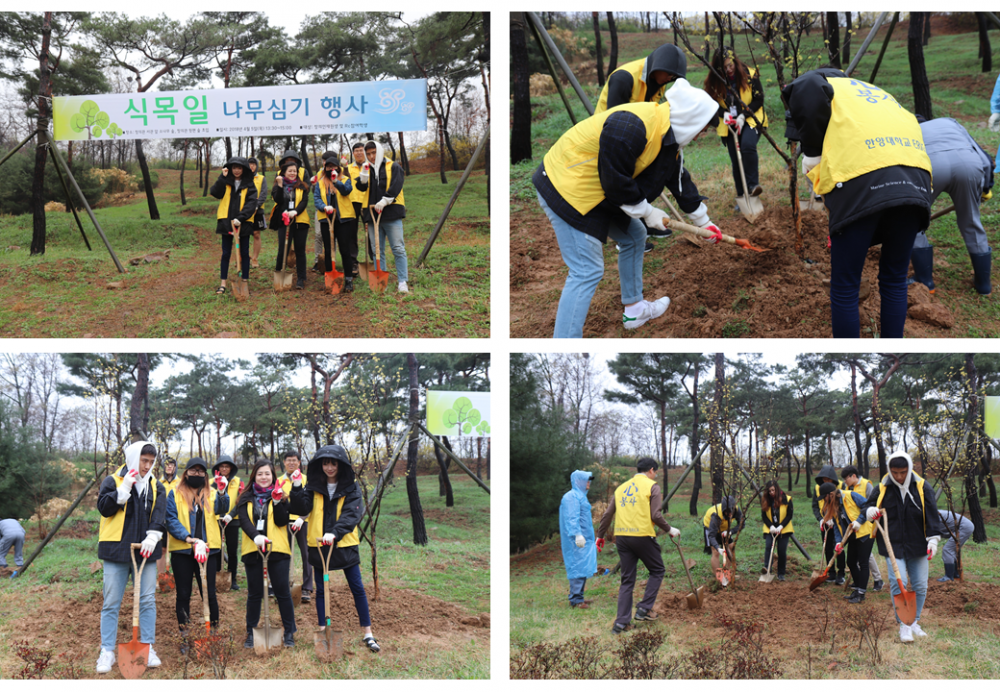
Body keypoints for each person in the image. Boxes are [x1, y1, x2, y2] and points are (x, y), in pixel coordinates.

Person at [533, 78, 722, 338]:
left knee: (634, 236)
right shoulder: (631, 126)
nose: (702, 135)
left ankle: (634, 310)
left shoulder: (669, 136)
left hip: (597, 188)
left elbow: (678, 178)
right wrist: (647, 211)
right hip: (566, 186)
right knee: (586, 270)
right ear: (691, 121)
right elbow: (615, 183)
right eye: (703, 129)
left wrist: (704, 222)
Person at [782, 69, 933, 338]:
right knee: (895, 280)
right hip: (915, 182)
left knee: (845, 287)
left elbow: (805, 87)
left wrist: (814, 157)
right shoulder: (875, 93)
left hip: (862, 181)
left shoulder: (823, 85)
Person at [595, 42, 688, 254]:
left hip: (639, 136)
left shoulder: (659, 80)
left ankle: (641, 222)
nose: (670, 80)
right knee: (625, 180)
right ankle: (625, 234)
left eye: (674, 77)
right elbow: (615, 121)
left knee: (651, 176)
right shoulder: (624, 78)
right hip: (613, 138)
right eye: (669, 75)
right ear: (658, 66)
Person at [288, 445, 381, 652]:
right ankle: (324, 630)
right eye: (325, 463)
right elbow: (301, 508)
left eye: (333, 463)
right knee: (321, 590)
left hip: (344, 545)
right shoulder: (312, 486)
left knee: (357, 588)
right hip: (319, 545)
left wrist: (335, 532)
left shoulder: (350, 487)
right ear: (320, 465)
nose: (329, 467)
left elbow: (352, 513)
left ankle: (368, 633)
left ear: (341, 465)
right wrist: (296, 487)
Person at [95, 441, 166, 674]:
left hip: (144, 552)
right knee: (111, 602)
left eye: (151, 462)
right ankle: (107, 650)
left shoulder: (156, 486)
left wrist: (153, 536)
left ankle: (147, 646)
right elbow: (104, 509)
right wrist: (122, 490)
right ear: (134, 457)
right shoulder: (112, 480)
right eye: (143, 460)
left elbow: (159, 514)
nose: (147, 466)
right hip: (116, 550)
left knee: (146, 600)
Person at [863, 450, 945, 642]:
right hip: (892, 545)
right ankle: (904, 625)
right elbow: (867, 507)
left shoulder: (923, 487)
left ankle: (914, 622)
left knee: (920, 585)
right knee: (897, 583)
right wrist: (870, 511)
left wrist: (933, 539)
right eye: (895, 472)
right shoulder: (882, 488)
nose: (899, 476)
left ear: (909, 469)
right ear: (890, 471)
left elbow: (932, 514)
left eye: (903, 472)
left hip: (918, 543)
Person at [910, 117, 994, 295]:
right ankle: (983, 285)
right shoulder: (951, 122)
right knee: (971, 221)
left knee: (913, 222)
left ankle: (926, 282)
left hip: (932, 166)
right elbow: (985, 160)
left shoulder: (909, 129)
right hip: (968, 164)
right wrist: (985, 187)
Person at [596, 458, 679, 634]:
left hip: (622, 538)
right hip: (642, 536)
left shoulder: (621, 489)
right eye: (655, 472)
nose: (655, 475)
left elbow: (608, 514)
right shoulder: (652, 486)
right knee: (657, 570)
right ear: (651, 470)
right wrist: (670, 529)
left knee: (627, 580)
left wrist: (600, 536)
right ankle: (643, 609)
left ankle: (620, 624)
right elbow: (655, 515)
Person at [164, 457, 230, 649]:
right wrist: (188, 538)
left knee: (209, 594)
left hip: (209, 550)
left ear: (205, 474)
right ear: (186, 473)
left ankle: (213, 633)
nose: (197, 474)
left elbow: (222, 509)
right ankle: (185, 635)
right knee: (183, 594)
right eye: (193, 470)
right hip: (183, 550)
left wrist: (223, 492)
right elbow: (171, 519)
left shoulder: (212, 493)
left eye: (201, 471)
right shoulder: (174, 493)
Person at [234, 460, 297, 648]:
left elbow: (281, 521)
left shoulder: (281, 496)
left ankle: (289, 632)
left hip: (277, 549)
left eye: (267, 474)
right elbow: (244, 521)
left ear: (273, 476)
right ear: (254, 475)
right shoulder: (245, 497)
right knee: (254, 593)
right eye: (260, 473)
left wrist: (277, 502)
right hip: (253, 550)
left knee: (282, 592)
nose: (264, 477)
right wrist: (256, 537)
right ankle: (251, 632)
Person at [704, 46, 767, 202]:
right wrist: (722, 113)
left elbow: (759, 99)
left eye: (730, 65)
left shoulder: (750, 74)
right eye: (724, 67)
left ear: (735, 61)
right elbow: (708, 103)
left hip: (751, 117)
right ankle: (741, 195)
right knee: (736, 159)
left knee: (747, 146)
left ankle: (753, 187)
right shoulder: (713, 81)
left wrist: (744, 115)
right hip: (729, 122)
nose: (729, 69)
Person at [355, 140, 410, 294]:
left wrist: (385, 200)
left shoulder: (393, 166)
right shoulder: (366, 168)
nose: (372, 156)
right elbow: (360, 187)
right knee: (377, 250)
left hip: (391, 213)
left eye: (374, 153)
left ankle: (402, 281)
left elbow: (397, 185)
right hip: (372, 215)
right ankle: (381, 281)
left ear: (380, 151)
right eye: (369, 154)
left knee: (398, 248)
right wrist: (364, 175)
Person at [210, 156, 258, 296]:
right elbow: (215, 193)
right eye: (234, 168)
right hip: (226, 222)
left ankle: (244, 281)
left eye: (239, 168)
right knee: (226, 253)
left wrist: (241, 218)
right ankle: (223, 283)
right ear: (230, 169)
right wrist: (222, 177)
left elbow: (251, 203)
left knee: (244, 253)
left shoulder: (249, 184)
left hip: (243, 224)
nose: (236, 170)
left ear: (243, 169)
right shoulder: (225, 181)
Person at [314, 152, 357, 293]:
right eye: (328, 167)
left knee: (345, 249)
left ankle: (348, 279)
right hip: (326, 220)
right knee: (329, 250)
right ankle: (330, 277)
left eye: (334, 167)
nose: (331, 169)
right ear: (325, 168)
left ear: (338, 168)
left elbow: (346, 191)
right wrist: (323, 207)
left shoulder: (344, 180)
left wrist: (336, 182)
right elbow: (316, 199)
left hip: (343, 220)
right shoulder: (320, 183)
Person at [832, 467, 877, 603]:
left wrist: (859, 521)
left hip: (865, 533)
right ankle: (857, 588)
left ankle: (861, 593)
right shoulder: (834, 507)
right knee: (851, 562)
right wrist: (838, 542)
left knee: (863, 563)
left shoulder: (851, 496)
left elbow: (868, 506)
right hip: (853, 537)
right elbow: (837, 527)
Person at [269, 149, 312, 290]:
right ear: (284, 172)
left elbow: (304, 202)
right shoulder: (278, 185)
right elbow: (278, 199)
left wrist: (295, 212)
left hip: (300, 222)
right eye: (289, 171)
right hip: (284, 221)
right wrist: (280, 186)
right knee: (283, 249)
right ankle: (279, 275)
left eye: (294, 171)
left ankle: (301, 278)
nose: (293, 173)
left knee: (300, 250)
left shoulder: (302, 186)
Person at [277, 450, 314, 603]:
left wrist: (301, 518)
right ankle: (281, 584)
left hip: (302, 523)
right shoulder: (279, 480)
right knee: (282, 553)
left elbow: (311, 502)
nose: (291, 463)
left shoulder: (306, 480)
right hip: (284, 522)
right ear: (284, 463)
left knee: (306, 554)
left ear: (299, 463)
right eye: (288, 460)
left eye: (294, 460)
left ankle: (307, 587)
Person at [841, 466, 884, 591]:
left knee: (866, 556)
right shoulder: (847, 488)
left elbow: (872, 504)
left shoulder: (867, 485)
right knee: (859, 558)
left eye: (846, 478)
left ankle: (877, 579)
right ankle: (859, 581)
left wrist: (862, 520)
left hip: (868, 524)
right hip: (855, 527)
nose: (845, 482)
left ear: (853, 476)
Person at [559, 470, 597, 608]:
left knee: (582, 567)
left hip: (584, 539)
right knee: (577, 567)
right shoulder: (571, 497)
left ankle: (578, 597)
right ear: (578, 481)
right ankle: (576, 600)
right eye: (586, 480)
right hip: (576, 540)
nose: (589, 483)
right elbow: (571, 517)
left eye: (589, 480)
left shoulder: (580, 496)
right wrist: (577, 534)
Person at [213, 455, 243, 591]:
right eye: (222, 466)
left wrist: (231, 515)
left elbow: (240, 501)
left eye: (227, 466)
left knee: (231, 551)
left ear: (231, 468)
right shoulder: (211, 482)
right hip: (215, 520)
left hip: (232, 521)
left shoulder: (238, 482)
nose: (224, 469)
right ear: (218, 467)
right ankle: (215, 576)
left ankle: (233, 579)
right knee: (216, 549)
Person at [703, 494, 743, 583]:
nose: (729, 514)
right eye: (726, 512)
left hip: (724, 528)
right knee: (715, 552)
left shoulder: (736, 510)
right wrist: (718, 547)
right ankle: (718, 578)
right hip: (710, 528)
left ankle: (727, 574)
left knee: (730, 547)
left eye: (730, 512)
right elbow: (711, 536)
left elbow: (741, 524)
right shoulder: (716, 515)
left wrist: (731, 531)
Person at [760, 481, 793, 581]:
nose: (771, 493)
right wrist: (771, 526)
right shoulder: (765, 500)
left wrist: (781, 526)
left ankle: (781, 573)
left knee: (781, 551)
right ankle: (767, 569)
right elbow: (764, 516)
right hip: (771, 529)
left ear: (777, 489)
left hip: (784, 529)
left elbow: (789, 515)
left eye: (773, 490)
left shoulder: (787, 499)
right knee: (768, 547)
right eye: (769, 491)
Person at [157, 458, 180, 582]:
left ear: (175, 467)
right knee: (162, 549)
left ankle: (177, 576)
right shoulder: (159, 483)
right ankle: (162, 577)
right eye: (167, 465)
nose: (169, 467)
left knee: (176, 549)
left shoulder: (181, 483)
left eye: (172, 465)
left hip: (176, 520)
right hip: (162, 520)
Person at [936, 509, 974, 582]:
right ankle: (955, 574)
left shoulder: (931, 516)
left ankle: (949, 577)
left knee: (947, 550)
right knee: (952, 550)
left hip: (964, 527)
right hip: (965, 526)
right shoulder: (930, 513)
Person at [347, 143, 367, 278]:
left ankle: (373, 260)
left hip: (367, 203)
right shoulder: (347, 168)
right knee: (351, 234)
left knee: (370, 232)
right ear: (353, 153)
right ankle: (353, 261)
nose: (359, 153)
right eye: (356, 151)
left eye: (361, 151)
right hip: (352, 203)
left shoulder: (370, 167)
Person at [247, 157, 267, 268]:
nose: (252, 166)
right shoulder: (243, 178)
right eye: (250, 164)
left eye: (253, 164)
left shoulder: (262, 178)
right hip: (245, 211)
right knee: (243, 235)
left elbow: (263, 194)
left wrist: (256, 206)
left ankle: (254, 258)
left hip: (257, 210)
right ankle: (242, 258)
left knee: (256, 234)